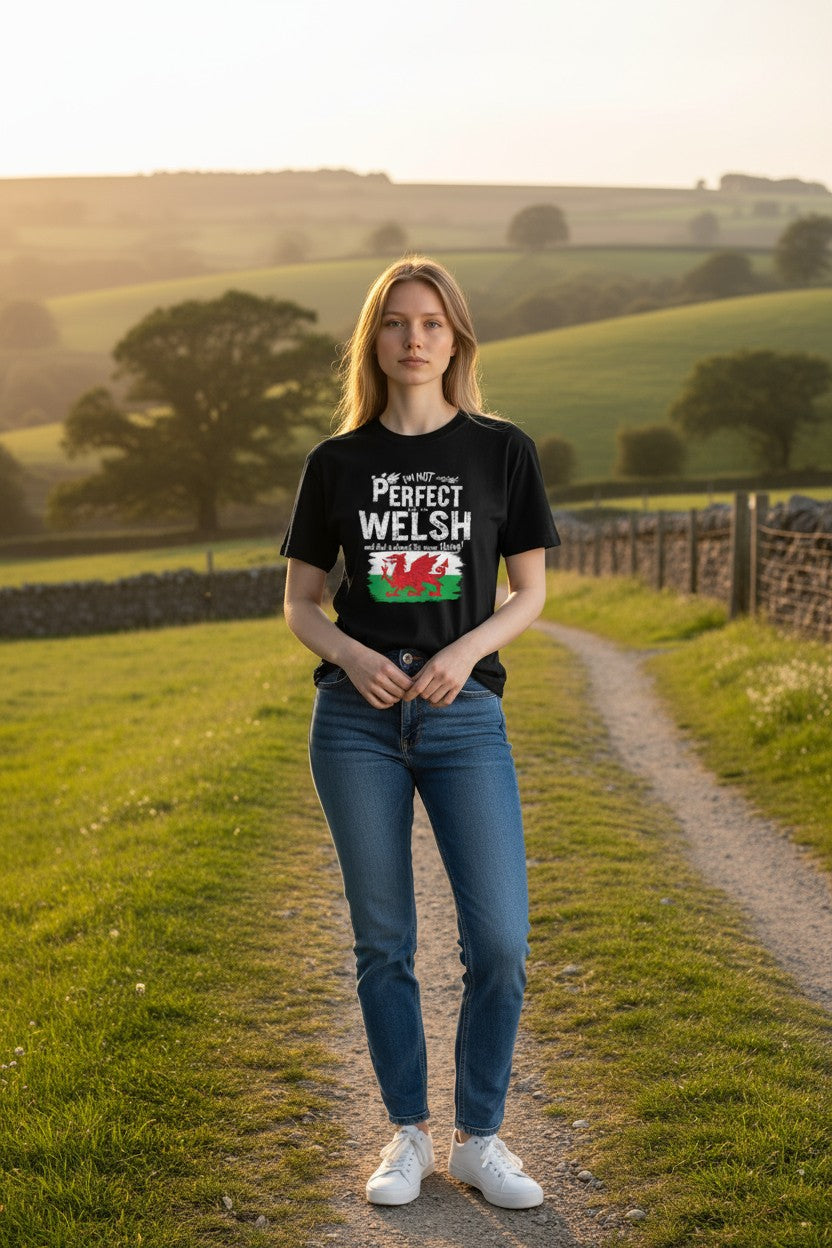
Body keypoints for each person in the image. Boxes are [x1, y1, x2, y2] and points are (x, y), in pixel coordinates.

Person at [279, 256, 560, 1210]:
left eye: (432, 323)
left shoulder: (501, 449)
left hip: (463, 718)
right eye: (397, 323)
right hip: (354, 725)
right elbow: (301, 604)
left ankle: (481, 1139)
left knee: (502, 939)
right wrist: (354, 657)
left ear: (456, 339)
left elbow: (533, 592)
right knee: (383, 939)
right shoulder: (337, 462)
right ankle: (406, 1131)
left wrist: (462, 654)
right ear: (376, 340)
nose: (414, 338)